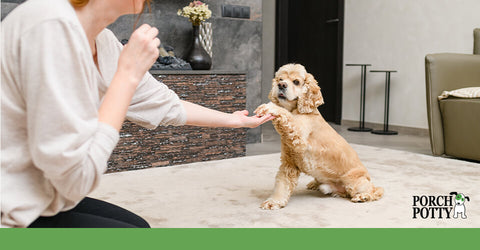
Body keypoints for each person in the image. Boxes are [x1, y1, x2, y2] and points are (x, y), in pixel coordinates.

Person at [1, 0, 274, 228]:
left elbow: (165, 104)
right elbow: (76, 179)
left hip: (45, 194)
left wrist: (234, 120)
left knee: (139, 228)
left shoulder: (103, 41)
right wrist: (126, 76)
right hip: (11, 208)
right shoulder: (51, 26)